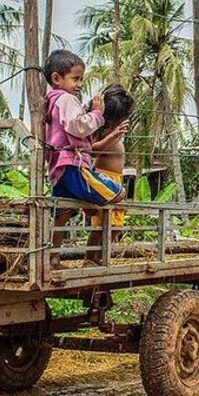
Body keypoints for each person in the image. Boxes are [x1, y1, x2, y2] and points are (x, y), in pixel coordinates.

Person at [43, 50, 124, 269]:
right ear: (57, 79)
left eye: (81, 79)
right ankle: (94, 256)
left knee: (63, 213)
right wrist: (97, 113)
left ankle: (53, 257)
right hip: (73, 165)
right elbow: (77, 127)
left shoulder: (50, 102)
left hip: (59, 167)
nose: (79, 84)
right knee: (118, 193)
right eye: (75, 78)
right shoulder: (67, 99)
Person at [88, 84, 134, 254]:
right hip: (104, 177)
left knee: (115, 224)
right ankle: (91, 256)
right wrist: (113, 135)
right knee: (101, 224)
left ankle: (107, 254)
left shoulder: (116, 130)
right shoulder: (101, 129)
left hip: (116, 178)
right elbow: (92, 150)